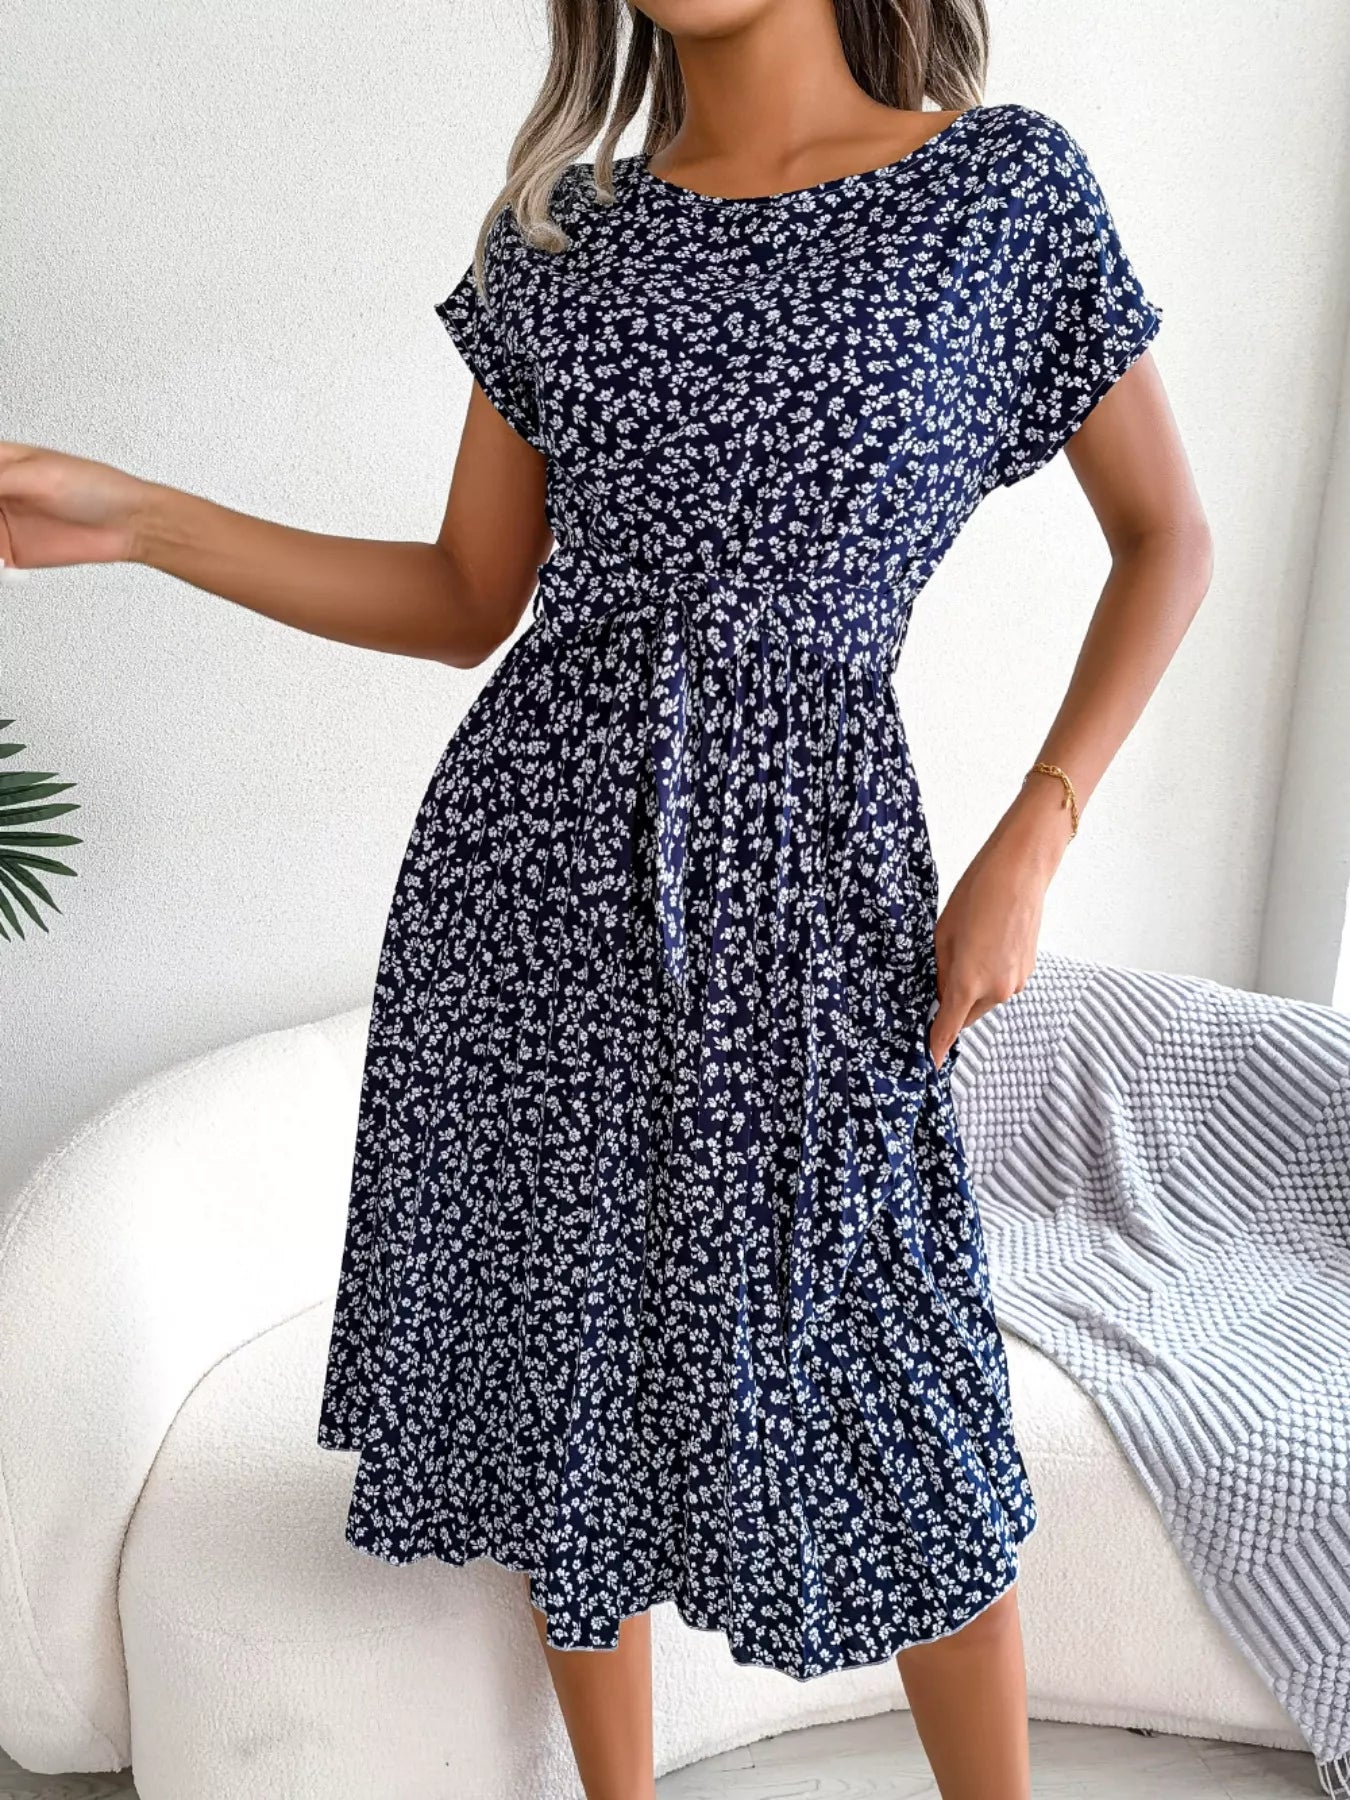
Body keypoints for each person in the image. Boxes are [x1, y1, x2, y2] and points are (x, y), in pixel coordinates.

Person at [0, 1, 1213, 1794]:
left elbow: (1167, 537)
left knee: (894, 1381)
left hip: (813, 865)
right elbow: (464, 593)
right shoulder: (559, 231)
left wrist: (1032, 831)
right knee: (566, 1350)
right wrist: (144, 521)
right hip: (528, 867)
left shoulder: (998, 190)